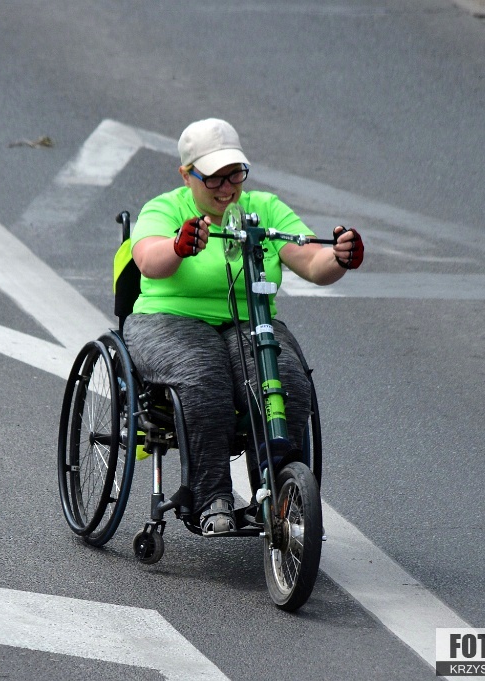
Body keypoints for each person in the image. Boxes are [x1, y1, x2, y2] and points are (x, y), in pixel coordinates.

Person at [122, 118, 364, 535]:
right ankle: (211, 496)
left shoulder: (263, 208)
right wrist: (178, 246)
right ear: (187, 175)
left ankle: (280, 494)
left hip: (249, 322)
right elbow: (147, 260)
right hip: (169, 319)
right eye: (214, 177)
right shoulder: (165, 208)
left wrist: (340, 257)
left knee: (287, 380)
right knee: (205, 377)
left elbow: (312, 261)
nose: (226, 187)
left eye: (235, 174)